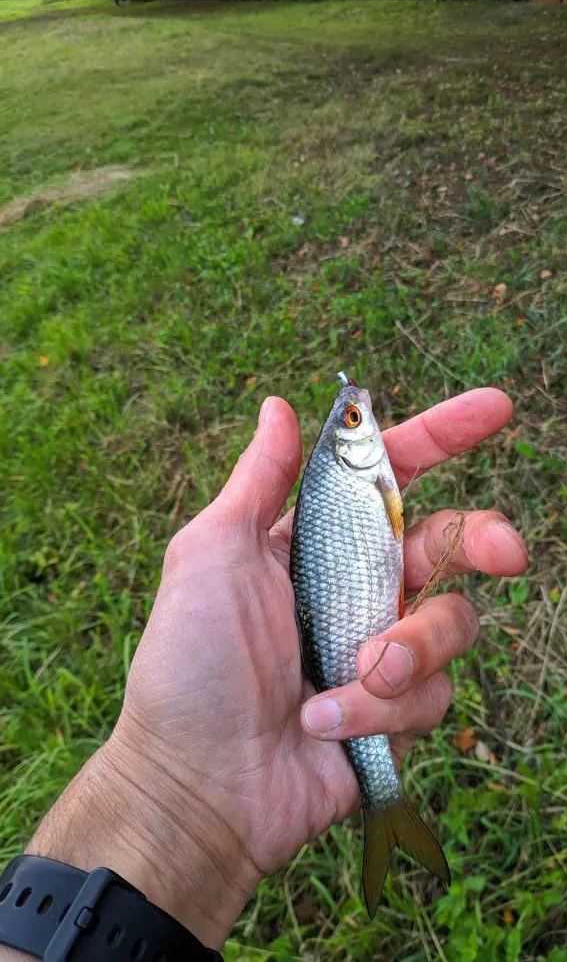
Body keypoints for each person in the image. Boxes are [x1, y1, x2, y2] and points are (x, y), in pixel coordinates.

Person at [0, 390, 527, 958]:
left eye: (353, 417)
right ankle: (387, 804)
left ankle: (385, 805)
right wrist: (160, 780)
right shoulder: (358, 479)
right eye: (355, 419)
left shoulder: (358, 477)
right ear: (350, 447)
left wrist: (159, 792)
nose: (362, 416)